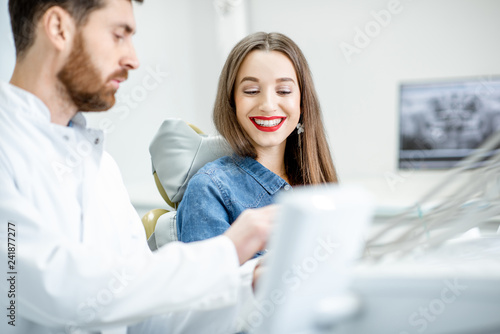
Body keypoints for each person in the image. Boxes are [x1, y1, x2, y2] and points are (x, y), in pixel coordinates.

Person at [0, 1, 276, 333]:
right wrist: (229, 249)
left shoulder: (102, 169)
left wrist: (253, 285)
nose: (133, 59)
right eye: (119, 35)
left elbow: (145, 316)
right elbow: (54, 287)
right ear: (59, 28)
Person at [177, 32, 338, 244]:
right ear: (232, 101)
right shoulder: (209, 189)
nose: (268, 105)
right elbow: (207, 276)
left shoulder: (318, 181)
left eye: (283, 90)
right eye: (252, 91)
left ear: (302, 102)